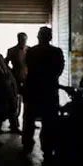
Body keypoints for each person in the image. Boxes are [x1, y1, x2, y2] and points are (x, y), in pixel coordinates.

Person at [22, 27, 65, 156]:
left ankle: (27, 145)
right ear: (50, 37)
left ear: (38, 37)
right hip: (49, 90)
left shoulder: (31, 51)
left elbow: (28, 67)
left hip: (33, 89)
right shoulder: (56, 52)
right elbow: (59, 69)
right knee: (49, 120)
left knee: (29, 119)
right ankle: (47, 148)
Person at [5, 32, 29, 127]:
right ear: (18, 39)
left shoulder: (30, 50)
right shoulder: (11, 50)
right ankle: (14, 123)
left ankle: (27, 122)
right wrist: (10, 72)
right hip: (16, 79)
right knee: (14, 102)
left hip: (27, 78)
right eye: (21, 39)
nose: (23, 41)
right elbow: (5, 63)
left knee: (27, 102)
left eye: (24, 39)